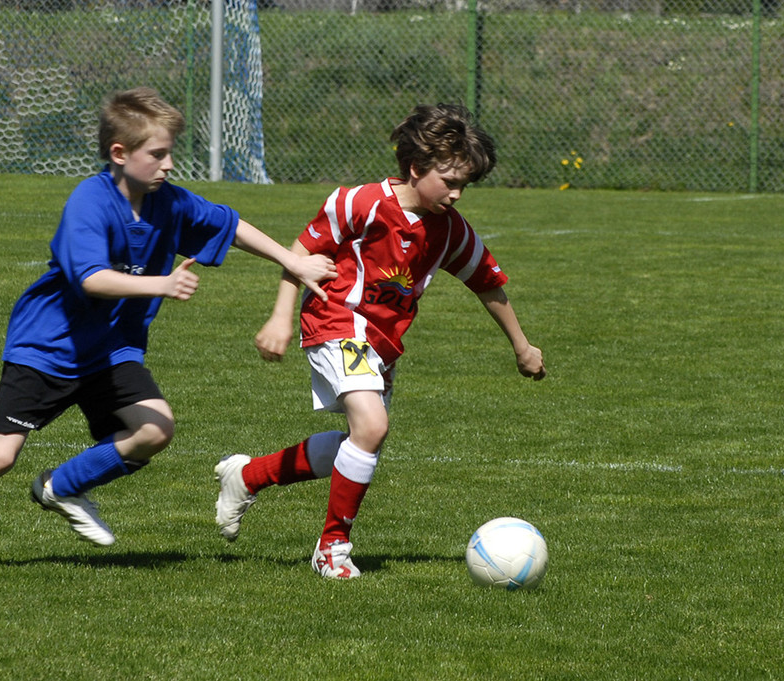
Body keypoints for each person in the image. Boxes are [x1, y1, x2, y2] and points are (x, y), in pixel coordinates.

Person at [0, 87, 336, 574]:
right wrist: (162, 284)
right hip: (48, 348)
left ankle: (62, 486)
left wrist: (293, 261)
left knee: (155, 428)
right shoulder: (90, 200)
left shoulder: (168, 202)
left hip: (112, 350)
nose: (168, 165)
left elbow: (229, 224)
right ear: (119, 153)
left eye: (170, 153)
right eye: (157, 154)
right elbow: (91, 278)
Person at [213, 102, 546, 579]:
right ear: (416, 168)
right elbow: (300, 255)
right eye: (449, 181)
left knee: (360, 441)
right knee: (371, 427)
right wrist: (280, 317)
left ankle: (248, 476)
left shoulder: (450, 231)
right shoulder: (359, 203)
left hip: (383, 342)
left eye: (464, 185)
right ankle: (332, 548)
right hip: (335, 319)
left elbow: (486, 283)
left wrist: (522, 346)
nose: (456, 194)